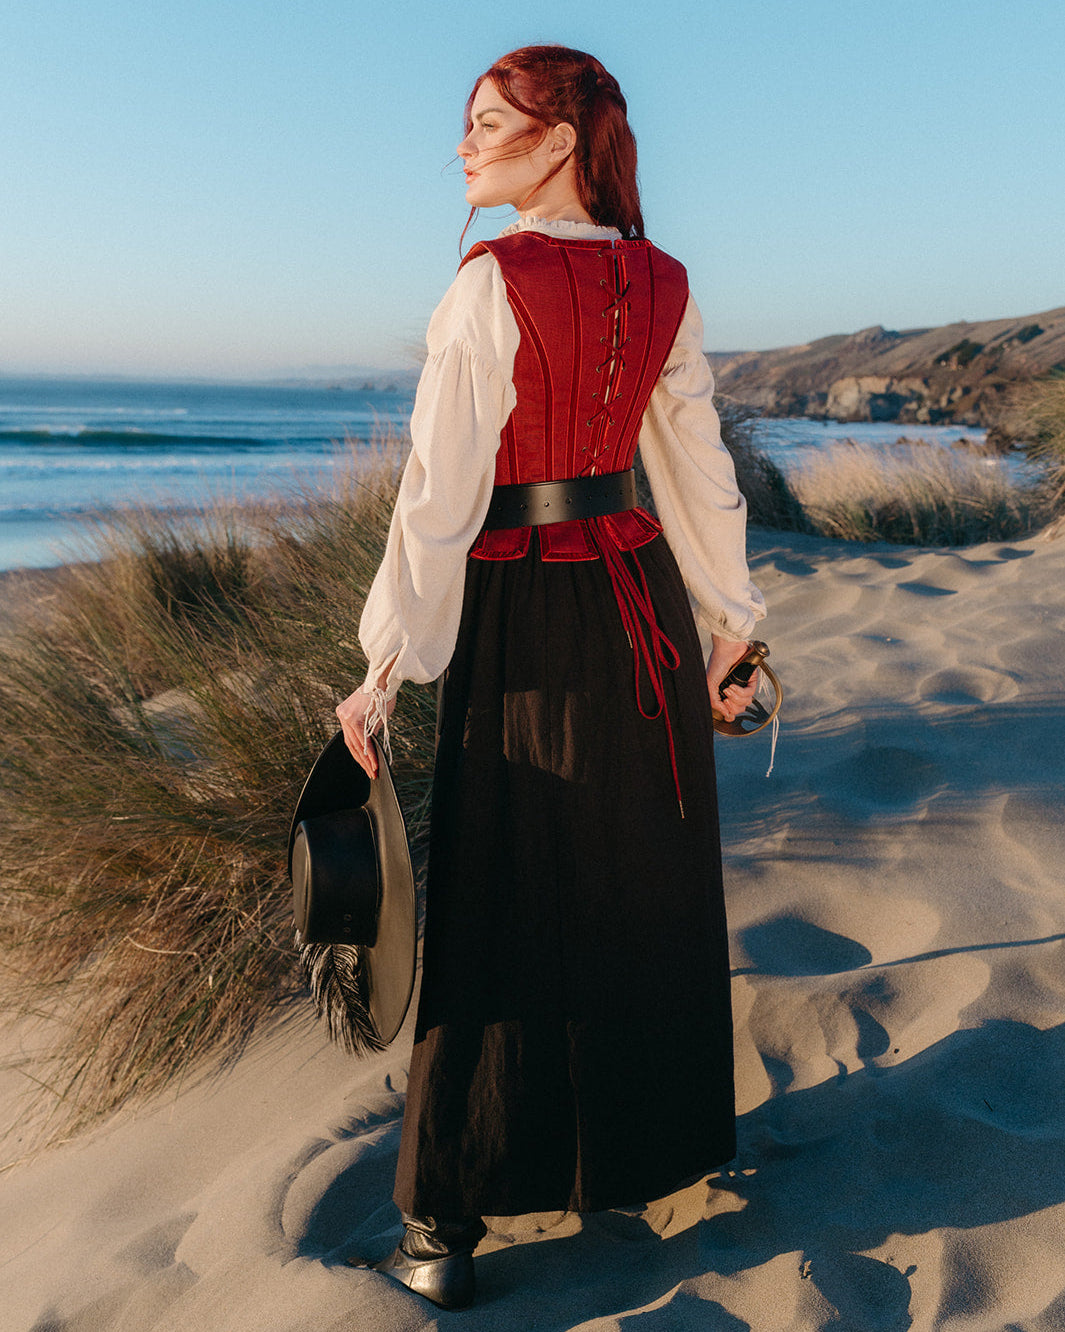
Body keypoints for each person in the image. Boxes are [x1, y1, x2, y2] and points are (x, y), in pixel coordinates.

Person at [335, 44, 766, 1311]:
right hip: (635, 603)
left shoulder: (490, 285)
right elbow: (696, 475)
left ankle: (445, 1225)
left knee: (498, 898)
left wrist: (385, 668)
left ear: (564, 138)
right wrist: (729, 628)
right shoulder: (666, 281)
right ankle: (651, 1153)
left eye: (487, 124)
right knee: (637, 875)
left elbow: (438, 499)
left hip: (522, 607)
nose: (463, 148)